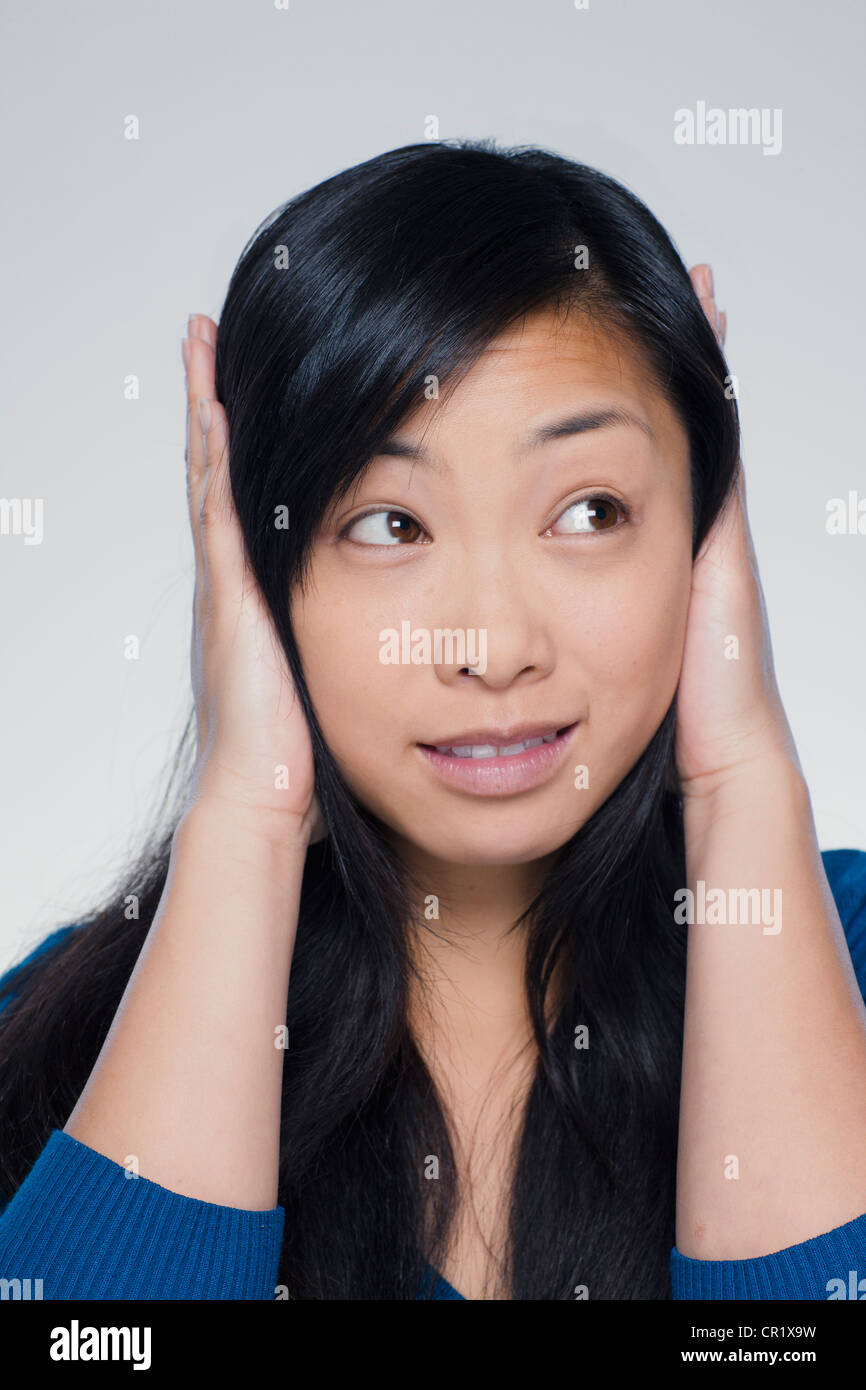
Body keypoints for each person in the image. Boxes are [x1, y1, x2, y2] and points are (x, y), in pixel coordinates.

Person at [1, 138, 865, 1301]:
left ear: (705, 535)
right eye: (388, 526)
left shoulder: (835, 951)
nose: (493, 648)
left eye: (590, 510)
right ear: (256, 568)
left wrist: (741, 778)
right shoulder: (78, 1038)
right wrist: (247, 814)